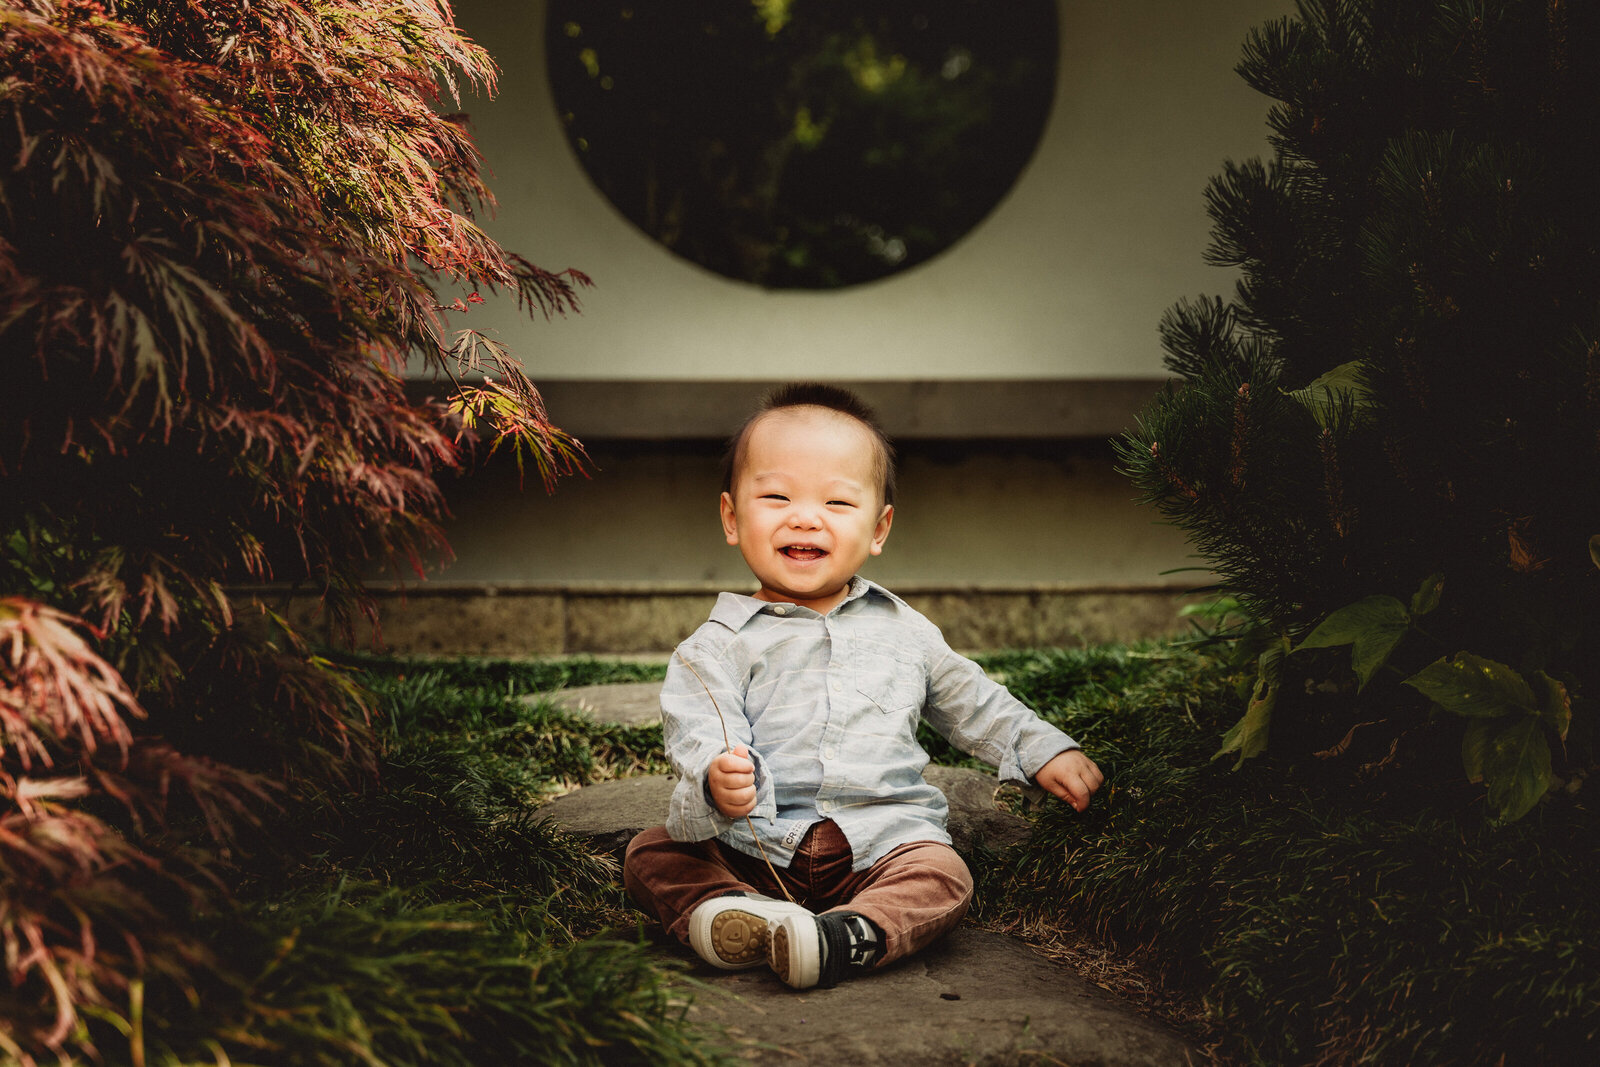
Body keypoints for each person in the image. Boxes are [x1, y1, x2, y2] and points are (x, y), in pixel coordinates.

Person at [622, 383, 1103, 990]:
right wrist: (718, 780)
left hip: (883, 843)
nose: (804, 516)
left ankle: (847, 935)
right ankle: (734, 911)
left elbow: (973, 701)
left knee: (943, 873)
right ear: (731, 517)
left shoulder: (908, 632)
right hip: (754, 846)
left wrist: (1042, 749)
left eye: (837, 503)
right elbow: (700, 726)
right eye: (775, 496)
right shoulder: (715, 646)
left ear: (879, 529)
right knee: (652, 854)